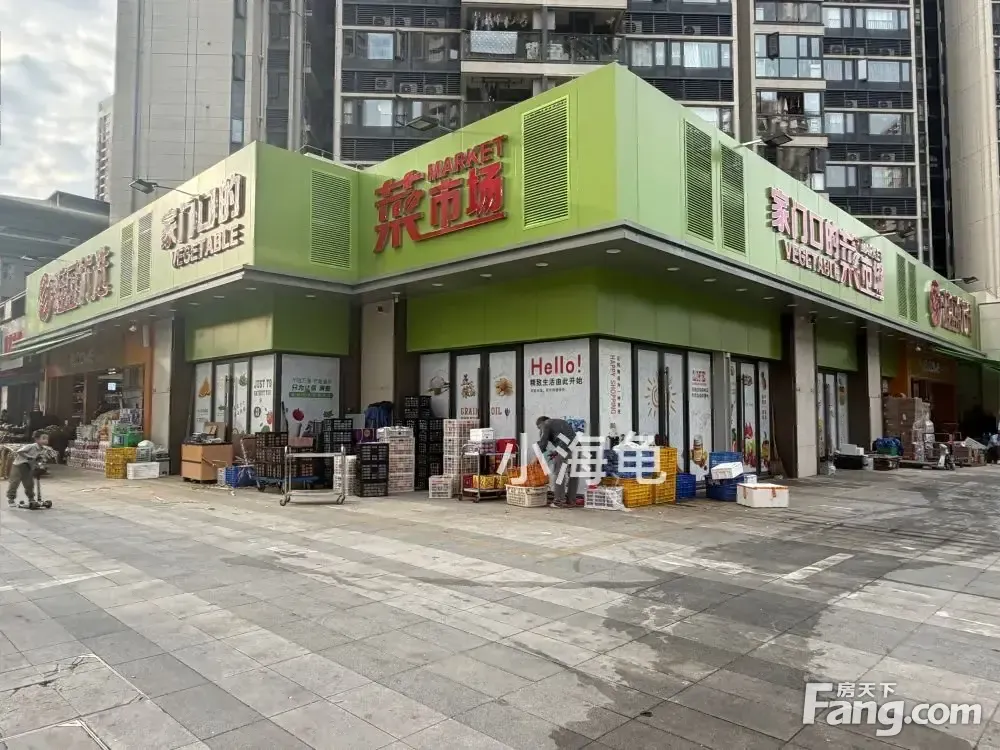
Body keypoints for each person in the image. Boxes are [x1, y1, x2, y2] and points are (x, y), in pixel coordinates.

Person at [532, 416, 579, 509]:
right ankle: (571, 501)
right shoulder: (560, 423)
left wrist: (536, 457)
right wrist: (555, 452)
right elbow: (566, 439)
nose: (540, 431)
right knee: (573, 475)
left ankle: (559, 502)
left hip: (565, 449)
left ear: (541, 424)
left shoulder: (546, 423)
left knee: (559, 474)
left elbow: (543, 442)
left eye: (539, 428)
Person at [7, 431, 57, 509]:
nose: (46, 440)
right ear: (36, 439)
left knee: (29, 484)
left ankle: (31, 499)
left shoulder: (44, 449)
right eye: (43, 438)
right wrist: (28, 457)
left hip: (28, 467)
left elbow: (40, 458)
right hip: (19, 465)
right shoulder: (31, 446)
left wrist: (41, 463)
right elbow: (19, 451)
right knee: (14, 482)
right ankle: (11, 499)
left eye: (47, 439)